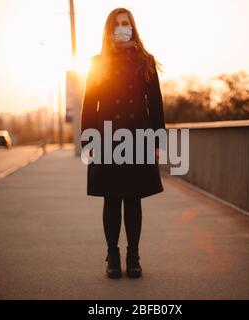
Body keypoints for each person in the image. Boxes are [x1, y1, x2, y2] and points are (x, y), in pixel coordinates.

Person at [80, 7, 166, 279]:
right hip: (106, 137)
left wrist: (157, 140)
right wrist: (88, 139)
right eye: (116, 24)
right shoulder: (97, 62)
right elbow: (88, 105)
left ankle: (134, 255)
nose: (121, 28)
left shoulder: (145, 61)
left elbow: (155, 104)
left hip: (138, 135)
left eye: (126, 23)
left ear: (133, 27)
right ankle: (113, 255)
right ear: (109, 29)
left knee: (133, 198)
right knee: (111, 198)